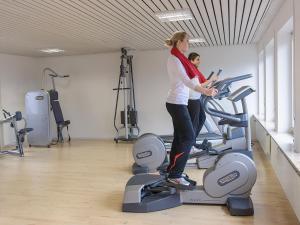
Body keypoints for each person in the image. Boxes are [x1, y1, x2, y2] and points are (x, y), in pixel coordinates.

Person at [165, 31, 218, 189]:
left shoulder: (179, 59)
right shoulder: (175, 59)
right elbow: (187, 81)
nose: (189, 44)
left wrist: (206, 86)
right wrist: (206, 91)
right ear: (179, 42)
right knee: (188, 137)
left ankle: (172, 171)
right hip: (176, 103)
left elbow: (192, 81)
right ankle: (175, 175)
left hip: (178, 103)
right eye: (187, 41)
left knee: (179, 138)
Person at [187, 52, 218, 154]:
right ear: (191, 60)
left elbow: (202, 85)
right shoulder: (190, 70)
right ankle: (190, 145)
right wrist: (210, 80)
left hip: (196, 99)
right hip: (192, 100)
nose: (199, 61)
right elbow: (199, 85)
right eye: (197, 59)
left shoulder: (195, 70)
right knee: (194, 123)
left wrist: (211, 85)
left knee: (202, 118)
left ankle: (192, 142)